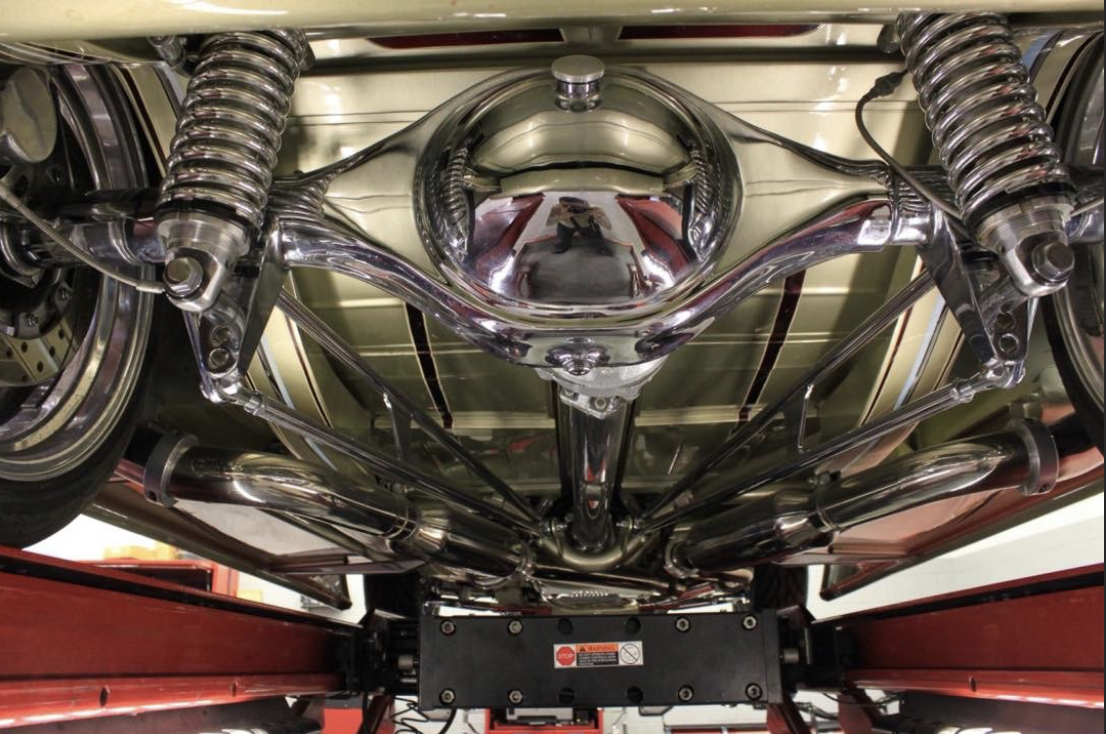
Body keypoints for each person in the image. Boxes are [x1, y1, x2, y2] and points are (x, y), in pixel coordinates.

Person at [546, 196, 612, 255]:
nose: (570, 209)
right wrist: (561, 217)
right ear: (560, 204)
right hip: (565, 225)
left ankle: (600, 248)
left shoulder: (595, 209)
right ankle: (562, 245)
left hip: (586, 225)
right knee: (562, 240)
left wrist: (599, 217)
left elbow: (608, 227)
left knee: (596, 242)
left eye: (576, 207)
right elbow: (548, 223)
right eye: (565, 206)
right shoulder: (556, 208)